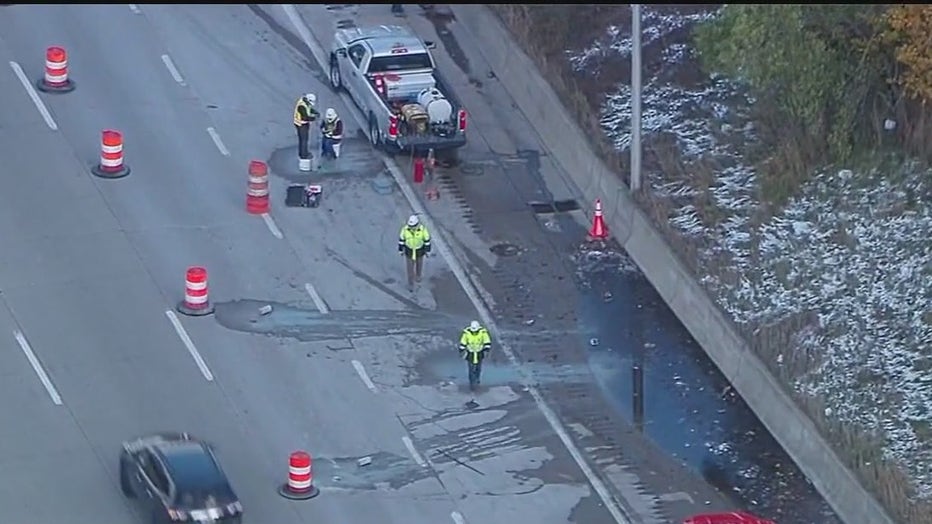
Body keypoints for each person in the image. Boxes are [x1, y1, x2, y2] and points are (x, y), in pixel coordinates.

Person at [398, 214, 431, 291]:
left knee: (419, 264)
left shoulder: (423, 230)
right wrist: (400, 249)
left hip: (419, 251)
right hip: (409, 251)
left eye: (413, 226)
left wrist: (427, 251)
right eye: (410, 226)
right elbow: (401, 240)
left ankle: (418, 276)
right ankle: (410, 283)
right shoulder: (405, 230)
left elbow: (427, 241)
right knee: (409, 268)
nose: (411, 228)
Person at [459, 320, 491, 390]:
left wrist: (486, 349)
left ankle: (477, 379)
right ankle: (472, 383)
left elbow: (487, 341)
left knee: (478, 368)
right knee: (470, 369)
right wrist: (461, 349)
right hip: (470, 353)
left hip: (479, 353)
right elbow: (463, 341)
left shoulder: (483, 332)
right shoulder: (466, 333)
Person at [294, 93, 319, 171]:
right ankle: (304, 155)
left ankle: (303, 153)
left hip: (304, 124)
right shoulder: (301, 106)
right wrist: (314, 118)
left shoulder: (305, 103)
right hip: (301, 125)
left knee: (304, 139)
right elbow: (305, 117)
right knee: (304, 140)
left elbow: (310, 109)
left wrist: (315, 112)